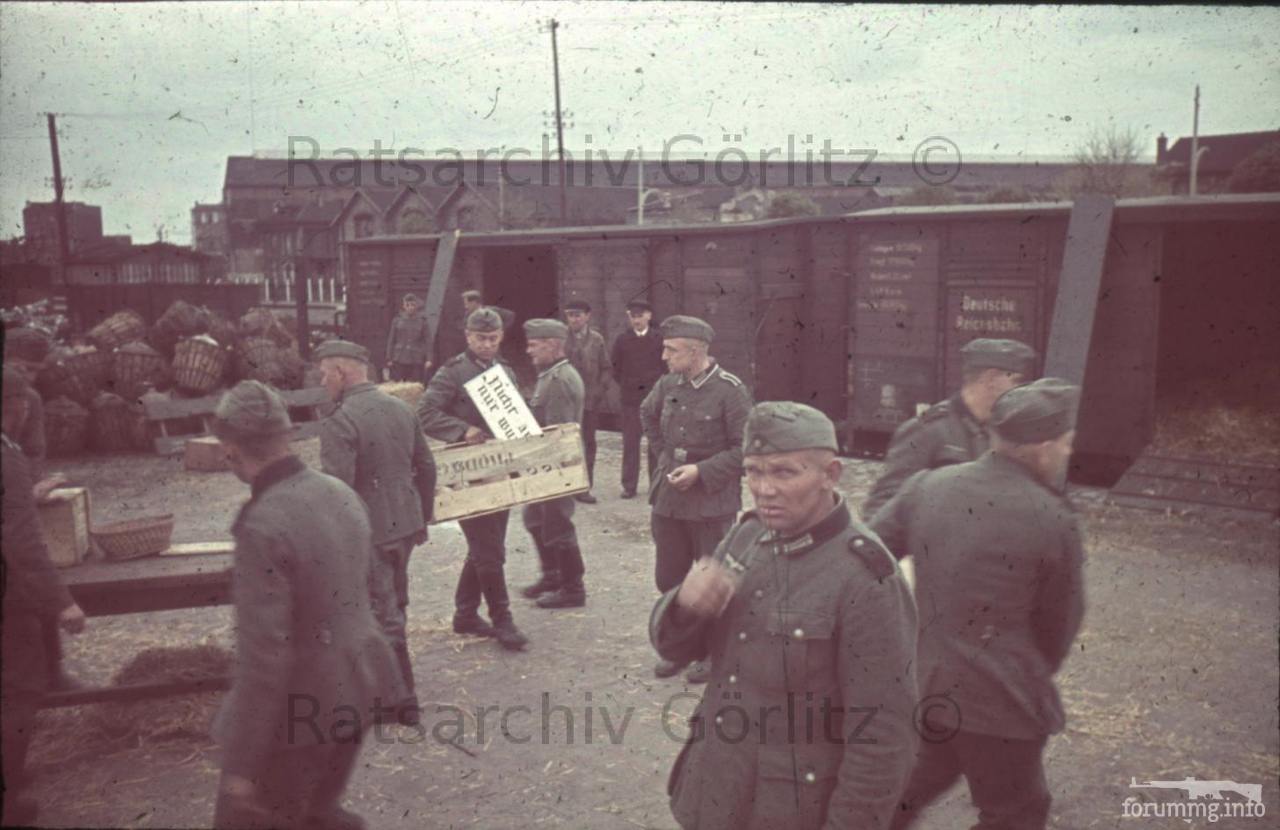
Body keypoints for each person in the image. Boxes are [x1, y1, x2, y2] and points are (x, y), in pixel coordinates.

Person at [650, 401, 919, 830]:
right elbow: (673, 649)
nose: (764, 489)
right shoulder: (747, 535)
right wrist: (685, 605)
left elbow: (883, 738)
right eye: (753, 471)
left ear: (830, 474)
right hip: (713, 786)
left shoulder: (867, 577)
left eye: (784, 472)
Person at [869, 378, 1087, 830]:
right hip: (1001, 700)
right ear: (1042, 447)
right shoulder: (1054, 518)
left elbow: (867, 556)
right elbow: (1059, 625)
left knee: (900, 795)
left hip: (927, 686)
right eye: (1066, 443)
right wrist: (1024, 668)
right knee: (1017, 813)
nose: (1067, 453)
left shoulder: (928, 485)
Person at [210, 380, 406, 830]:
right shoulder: (338, 492)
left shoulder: (261, 524)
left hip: (301, 710)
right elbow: (377, 591)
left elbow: (264, 656)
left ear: (230, 449)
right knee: (318, 813)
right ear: (287, 435)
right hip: (359, 689)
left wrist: (240, 764)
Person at [316, 339, 436, 726]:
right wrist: (422, 517)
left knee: (382, 612)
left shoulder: (340, 420)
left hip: (371, 531)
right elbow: (427, 466)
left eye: (324, 374)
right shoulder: (402, 408)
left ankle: (402, 701)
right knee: (394, 602)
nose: (322, 382)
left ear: (341, 372)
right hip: (406, 523)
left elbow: (339, 491)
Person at [641, 315, 751, 682]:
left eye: (671, 350)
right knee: (669, 578)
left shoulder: (730, 391)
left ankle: (711, 652)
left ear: (695, 351)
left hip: (710, 505)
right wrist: (665, 457)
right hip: (669, 501)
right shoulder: (668, 383)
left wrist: (701, 471)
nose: (664, 356)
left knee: (712, 582)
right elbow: (647, 414)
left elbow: (744, 449)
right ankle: (680, 647)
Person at [1, 366, 87, 827]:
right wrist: (61, 602)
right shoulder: (7, 457)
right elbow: (22, 543)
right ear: (14, 406)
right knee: (19, 688)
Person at [416, 307, 529, 651]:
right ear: (467, 336)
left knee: (485, 547)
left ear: (501, 337)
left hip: (499, 470)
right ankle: (502, 619)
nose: (487, 344)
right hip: (467, 475)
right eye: (481, 338)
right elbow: (425, 413)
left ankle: (465, 614)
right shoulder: (451, 373)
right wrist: (462, 430)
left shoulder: (505, 371)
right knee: (489, 550)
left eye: (493, 338)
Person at [861, 338, 1036, 520]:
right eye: (1015, 382)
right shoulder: (927, 430)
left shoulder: (1000, 432)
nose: (1019, 390)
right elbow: (882, 507)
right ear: (991, 379)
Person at [3, 327, 79, 693]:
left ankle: (53, 669)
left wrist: (29, 486)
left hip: (18, 492)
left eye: (35, 371)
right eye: (22, 367)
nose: (28, 377)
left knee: (37, 575)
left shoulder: (29, 400)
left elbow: (33, 452)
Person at [517, 319, 588, 608]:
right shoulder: (551, 375)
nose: (528, 351)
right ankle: (552, 576)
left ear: (553, 345)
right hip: (547, 466)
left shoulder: (558, 380)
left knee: (557, 524)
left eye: (534, 345)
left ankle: (573, 589)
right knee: (535, 518)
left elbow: (557, 434)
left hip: (556, 466)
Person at [610, 299, 665, 498]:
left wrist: (655, 390)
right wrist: (629, 384)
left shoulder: (659, 339)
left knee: (655, 444)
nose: (636, 321)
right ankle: (629, 486)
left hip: (654, 400)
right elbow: (615, 368)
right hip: (630, 400)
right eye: (633, 317)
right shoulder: (622, 340)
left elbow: (665, 368)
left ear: (648, 316)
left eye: (640, 316)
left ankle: (656, 485)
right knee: (630, 443)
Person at [562, 299, 610, 504]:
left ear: (587, 316)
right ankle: (565, 486)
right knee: (565, 442)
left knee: (588, 443)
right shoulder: (561, 338)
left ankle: (584, 487)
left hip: (590, 402)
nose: (574, 319)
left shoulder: (597, 340)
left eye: (578, 315)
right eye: (570, 315)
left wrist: (599, 391)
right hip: (566, 401)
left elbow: (606, 368)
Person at [384, 292, 433, 384]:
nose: (410, 307)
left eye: (412, 305)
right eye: (408, 305)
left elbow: (428, 341)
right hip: (399, 358)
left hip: (416, 359)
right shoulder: (397, 320)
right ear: (404, 306)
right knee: (399, 384)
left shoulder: (422, 322)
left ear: (416, 306)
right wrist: (389, 358)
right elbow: (391, 340)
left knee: (416, 385)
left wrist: (429, 359)